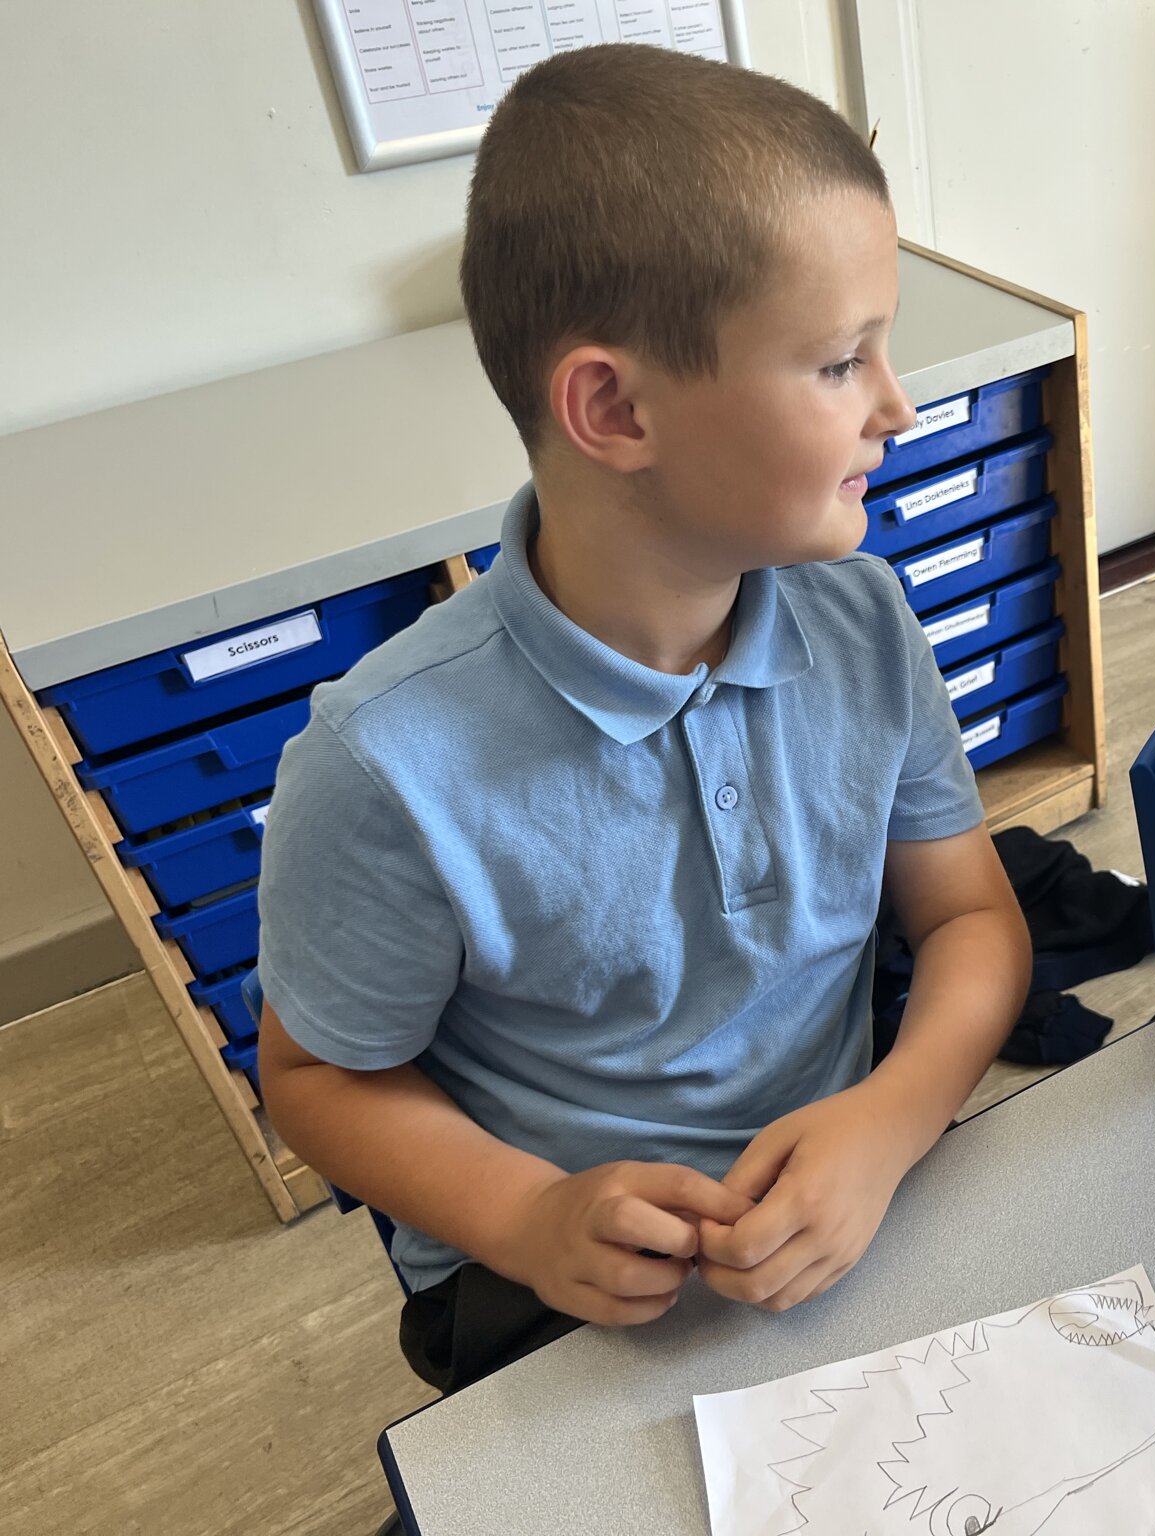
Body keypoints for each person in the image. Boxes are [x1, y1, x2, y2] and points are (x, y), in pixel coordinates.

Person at [255, 44, 1030, 1391]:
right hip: (564, 1284)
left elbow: (970, 919)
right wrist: (527, 1217)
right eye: (843, 362)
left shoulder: (864, 622)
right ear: (613, 407)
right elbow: (319, 1080)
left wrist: (892, 1118)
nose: (897, 407)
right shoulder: (384, 765)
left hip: (846, 1196)